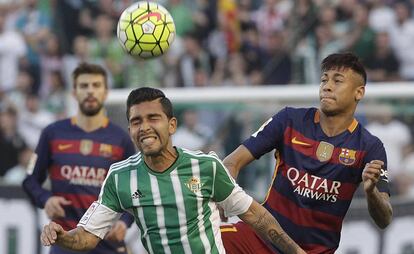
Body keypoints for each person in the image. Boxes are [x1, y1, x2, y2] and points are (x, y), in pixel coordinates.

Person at [40, 87, 306, 254]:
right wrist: (62, 236)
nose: (144, 127)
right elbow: (87, 237)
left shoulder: (205, 167)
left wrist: (296, 252)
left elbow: (255, 215)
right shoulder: (120, 177)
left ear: (172, 125)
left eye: (152, 118)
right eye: (136, 121)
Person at [220, 53, 393, 254]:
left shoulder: (370, 147)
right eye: (324, 80)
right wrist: (225, 197)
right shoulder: (289, 120)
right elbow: (232, 162)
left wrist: (371, 193)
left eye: (337, 81)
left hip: (313, 251)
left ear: (359, 92)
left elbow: (385, 218)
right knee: (202, 241)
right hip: (260, 239)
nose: (327, 86)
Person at [23, 63, 136, 254]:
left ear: (106, 92)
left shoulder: (121, 139)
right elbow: (30, 181)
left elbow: (135, 190)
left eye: (96, 85)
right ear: (74, 92)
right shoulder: (53, 133)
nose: (90, 91)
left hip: (107, 242)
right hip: (65, 241)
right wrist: (46, 199)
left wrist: (125, 223)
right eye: (84, 86)